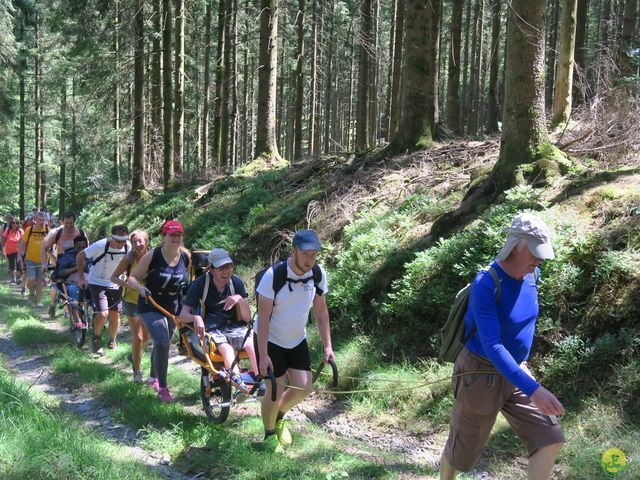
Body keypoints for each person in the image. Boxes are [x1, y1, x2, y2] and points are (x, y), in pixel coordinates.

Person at [439, 213, 565, 480]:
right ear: (517, 245)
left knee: (550, 438)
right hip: (479, 374)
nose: (539, 259)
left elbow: (521, 324)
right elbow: (493, 346)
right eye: (535, 252)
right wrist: (535, 390)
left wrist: (525, 370)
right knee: (461, 452)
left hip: (517, 372)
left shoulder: (533, 275)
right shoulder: (486, 283)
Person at [255, 229, 335, 452]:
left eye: (314, 255)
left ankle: (278, 416)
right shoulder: (274, 276)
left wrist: (328, 346)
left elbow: (320, 313)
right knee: (275, 389)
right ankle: (269, 436)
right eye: (306, 254)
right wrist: (263, 356)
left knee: (304, 386)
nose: (310, 260)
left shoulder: (317, 274)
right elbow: (262, 318)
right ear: (294, 251)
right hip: (270, 339)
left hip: (296, 339)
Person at [127, 220, 190, 402]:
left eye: (179, 235)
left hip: (172, 307)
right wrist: (140, 289)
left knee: (162, 343)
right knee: (162, 342)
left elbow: (185, 282)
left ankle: (153, 378)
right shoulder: (153, 255)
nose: (176, 238)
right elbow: (132, 278)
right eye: (172, 235)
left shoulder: (185, 256)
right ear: (164, 237)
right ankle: (163, 388)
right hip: (150, 304)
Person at [179, 247, 257, 387]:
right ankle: (239, 384)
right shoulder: (200, 284)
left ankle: (260, 380)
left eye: (228, 266)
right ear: (212, 270)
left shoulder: (236, 283)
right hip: (212, 328)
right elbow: (183, 315)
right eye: (221, 268)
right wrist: (196, 318)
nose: (226, 271)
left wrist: (239, 298)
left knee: (252, 344)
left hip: (234, 326)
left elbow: (246, 319)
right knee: (227, 350)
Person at [77, 225, 130, 355]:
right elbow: (80, 256)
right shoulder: (100, 245)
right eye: (118, 241)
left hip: (116, 283)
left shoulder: (129, 246)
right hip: (97, 282)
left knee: (115, 314)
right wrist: (82, 278)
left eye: (123, 241)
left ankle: (112, 340)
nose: (121, 244)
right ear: (111, 237)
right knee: (102, 313)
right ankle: (96, 339)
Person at [110, 229, 151, 383]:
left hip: (148, 302)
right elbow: (113, 277)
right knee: (138, 337)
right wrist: (129, 284)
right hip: (131, 301)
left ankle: (134, 356)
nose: (138, 244)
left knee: (146, 337)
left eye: (141, 241)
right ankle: (137, 372)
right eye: (134, 242)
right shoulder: (129, 257)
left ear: (147, 242)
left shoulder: (154, 257)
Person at [40, 211, 88, 318]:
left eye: (71, 223)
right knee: (56, 288)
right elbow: (44, 247)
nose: (69, 225)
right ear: (62, 222)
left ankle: (79, 311)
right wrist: (44, 263)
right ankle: (52, 304)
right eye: (66, 223)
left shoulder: (80, 232)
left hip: (79, 263)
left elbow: (87, 249)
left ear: (74, 222)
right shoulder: (55, 233)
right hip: (60, 263)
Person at [53, 235, 89, 326]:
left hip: (90, 282)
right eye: (78, 248)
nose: (81, 249)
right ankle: (77, 319)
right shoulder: (67, 256)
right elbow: (61, 273)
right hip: (72, 282)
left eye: (84, 247)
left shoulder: (93, 255)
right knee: (73, 290)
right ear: (74, 246)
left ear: (87, 245)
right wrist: (77, 268)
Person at [17, 211, 49, 306]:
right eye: (39, 220)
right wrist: (19, 255)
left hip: (42, 260)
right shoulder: (29, 230)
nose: (41, 222)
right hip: (30, 258)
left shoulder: (47, 230)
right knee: (31, 278)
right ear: (35, 220)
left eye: (43, 220)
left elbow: (52, 244)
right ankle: (31, 294)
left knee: (40, 280)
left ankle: (38, 301)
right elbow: (23, 244)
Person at [2, 217, 24, 284]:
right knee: (11, 265)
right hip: (9, 250)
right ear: (11, 223)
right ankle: (13, 277)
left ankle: (19, 277)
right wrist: (3, 250)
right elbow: (3, 241)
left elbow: (24, 240)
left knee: (19, 264)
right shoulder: (7, 230)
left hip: (18, 250)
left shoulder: (20, 231)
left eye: (17, 223)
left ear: (18, 224)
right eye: (13, 223)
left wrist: (23, 250)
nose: (15, 224)